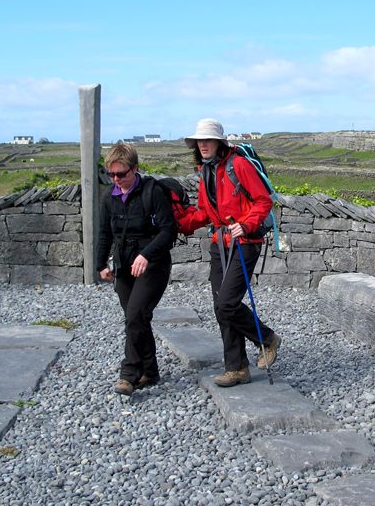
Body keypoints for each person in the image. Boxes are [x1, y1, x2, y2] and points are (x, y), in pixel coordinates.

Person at [177, 119, 281, 387]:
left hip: (245, 241)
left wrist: (245, 224)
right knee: (220, 307)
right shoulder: (206, 171)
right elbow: (204, 212)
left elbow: (263, 200)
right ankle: (236, 368)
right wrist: (177, 223)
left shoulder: (239, 165)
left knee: (226, 303)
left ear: (219, 143)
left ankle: (267, 339)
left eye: (207, 140)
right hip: (220, 241)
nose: (202, 145)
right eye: (199, 141)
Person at [95, 144, 177, 396]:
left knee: (134, 315)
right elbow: (105, 233)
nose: (117, 180)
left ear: (135, 169)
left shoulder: (153, 193)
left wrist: (145, 255)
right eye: (112, 175)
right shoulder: (109, 197)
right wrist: (100, 265)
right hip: (123, 266)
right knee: (137, 319)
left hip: (153, 265)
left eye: (122, 174)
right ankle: (150, 371)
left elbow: (168, 230)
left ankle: (128, 374)